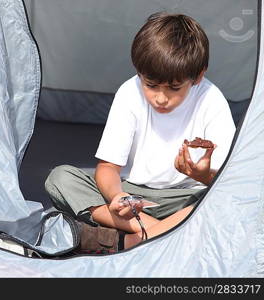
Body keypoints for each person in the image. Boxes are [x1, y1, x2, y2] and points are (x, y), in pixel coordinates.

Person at [44, 12, 236, 251]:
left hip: (187, 198)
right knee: (61, 178)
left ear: (197, 77)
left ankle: (125, 241)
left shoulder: (211, 100)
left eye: (174, 88)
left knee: (237, 197)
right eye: (151, 85)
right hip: (134, 197)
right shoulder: (129, 93)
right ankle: (162, 236)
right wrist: (117, 197)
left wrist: (203, 176)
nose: (161, 98)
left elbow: (231, 183)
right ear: (139, 73)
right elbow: (107, 168)